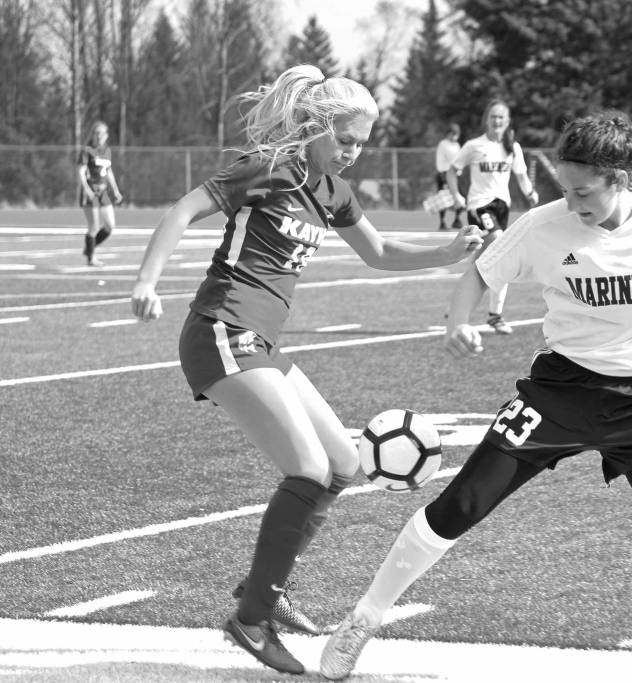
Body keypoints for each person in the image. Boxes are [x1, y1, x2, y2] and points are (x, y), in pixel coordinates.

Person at [320, 110, 632, 683]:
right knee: (462, 503)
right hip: (559, 391)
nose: (572, 204)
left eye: (584, 192)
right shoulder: (542, 225)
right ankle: (363, 619)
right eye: (565, 190)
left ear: (621, 178)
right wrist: (459, 322)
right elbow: (480, 273)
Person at [129, 64, 483, 676]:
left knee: (343, 463)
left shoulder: (334, 191)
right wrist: (146, 282)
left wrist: (447, 252)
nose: (351, 152)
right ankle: (251, 620)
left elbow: (379, 253)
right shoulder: (269, 168)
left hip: (260, 342)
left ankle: (264, 588)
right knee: (308, 468)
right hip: (221, 330)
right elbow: (181, 211)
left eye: (361, 144)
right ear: (315, 127)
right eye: (343, 139)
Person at [446, 99, 538, 334]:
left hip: (501, 207)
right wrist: (457, 195)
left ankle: (464, 303)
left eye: (501, 117)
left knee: (486, 259)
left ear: (507, 121)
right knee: (500, 247)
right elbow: (452, 171)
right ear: (486, 120)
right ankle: (494, 315)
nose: (497, 121)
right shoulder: (474, 145)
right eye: (493, 116)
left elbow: (521, 175)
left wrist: (530, 193)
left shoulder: (512, 147)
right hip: (479, 206)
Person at [78, 120, 123, 266]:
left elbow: (108, 171)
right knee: (94, 227)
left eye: (102, 134)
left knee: (110, 225)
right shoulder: (87, 150)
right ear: (92, 135)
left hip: (103, 192)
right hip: (91, 192)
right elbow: (81, 171)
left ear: (107, 135)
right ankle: (91, 258)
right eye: (96, 133)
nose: (99, 137)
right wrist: (86, 189)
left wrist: (115, 190)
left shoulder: (107, 151)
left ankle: (89, 249)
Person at [434, 123, 463, 230]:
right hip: (444, 174)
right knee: (444, 199)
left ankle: (457, 219)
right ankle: (442, 221)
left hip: (456, 175)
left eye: (456, 134)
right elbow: (453, 160)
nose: (455, 136)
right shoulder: (443, 144)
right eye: (453, 134)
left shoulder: (457, 145)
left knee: (459, 196)